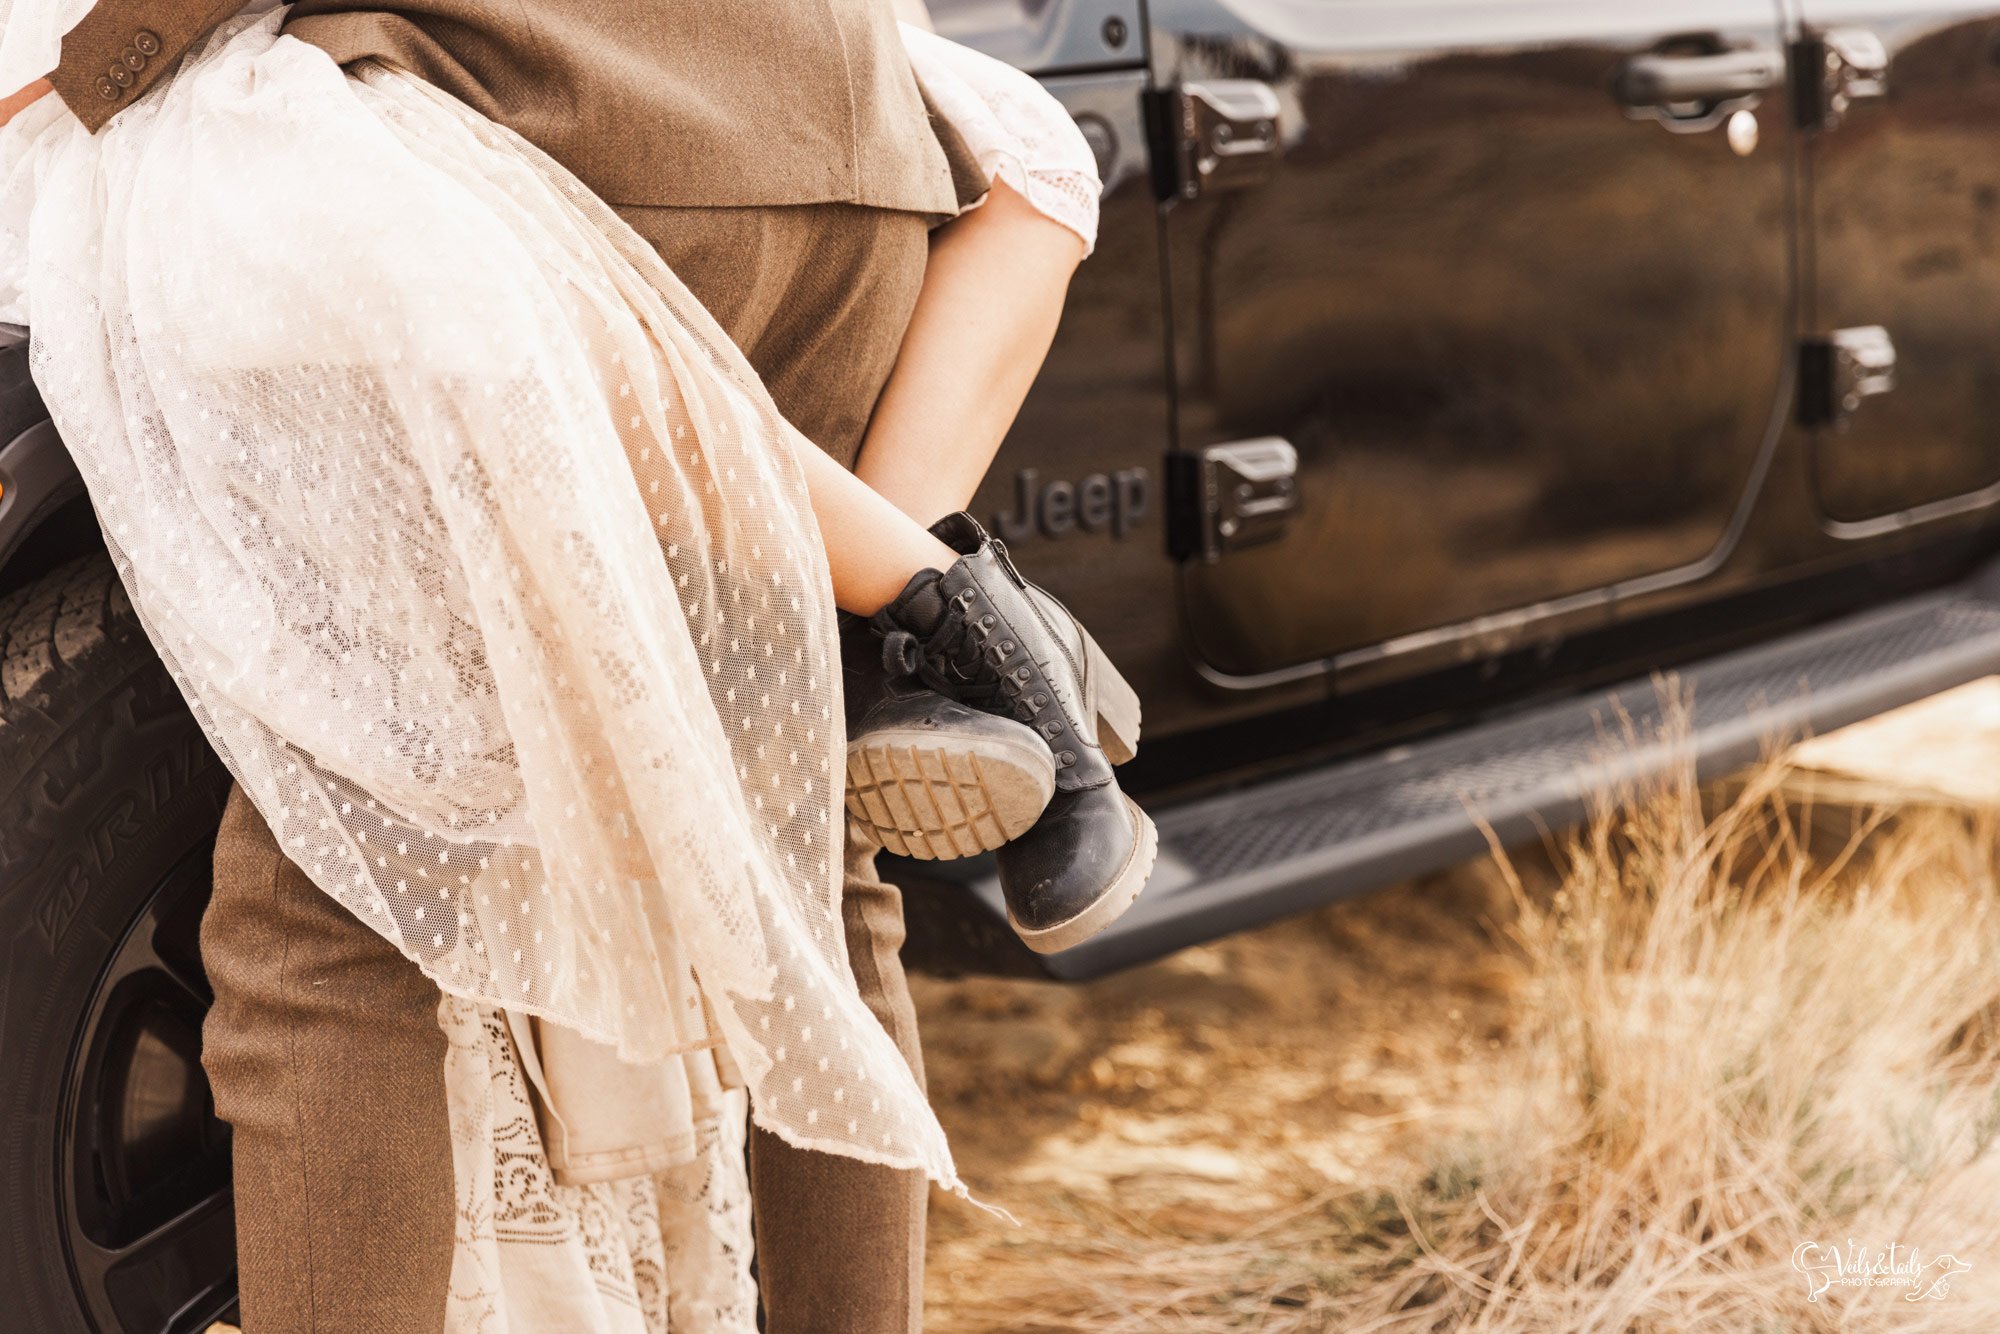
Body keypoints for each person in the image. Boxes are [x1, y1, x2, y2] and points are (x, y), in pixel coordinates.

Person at [0, 0, 1151, 1328]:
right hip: (846, 184)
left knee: (339, 901)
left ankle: (948, 617)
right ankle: (945, 617)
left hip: (527, 181)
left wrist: (89, 64)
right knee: (812, 859)